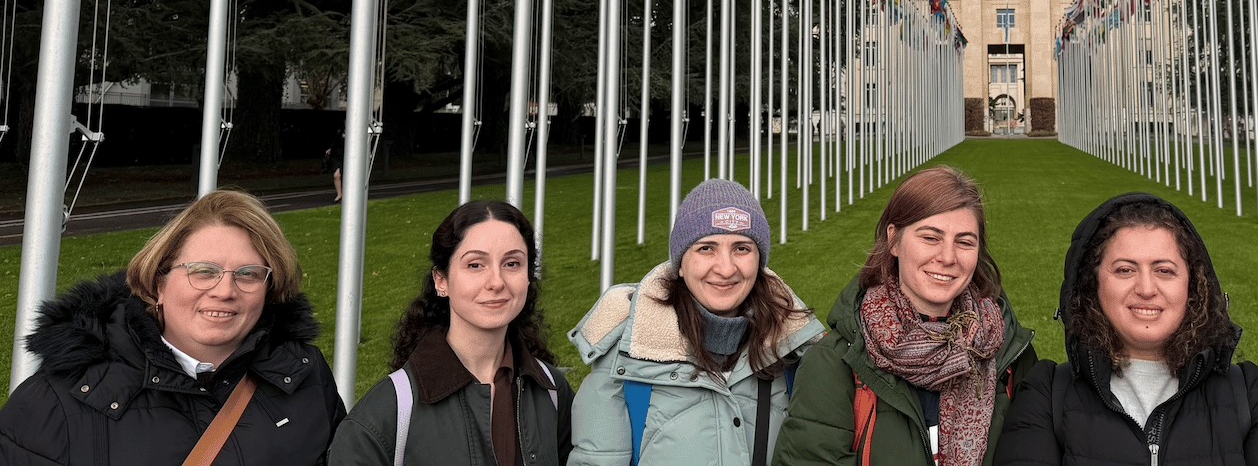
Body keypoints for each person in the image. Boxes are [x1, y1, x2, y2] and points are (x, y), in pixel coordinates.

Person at [0, 189, 345, 464]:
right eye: (203, 271)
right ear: (158, 284)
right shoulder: (56, 400)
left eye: (248, 274)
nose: (225, 291)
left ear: (269, 290)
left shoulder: (306, 375)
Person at [993, 193, 1258, 465]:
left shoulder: (1249, 394)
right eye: (1125, 270)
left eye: (1164, 270)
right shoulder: (1047, 393)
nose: (1146, 288)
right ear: (1092, 283)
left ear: (1193, 286)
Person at [774, 166, 1038, 466]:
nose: (948, 257)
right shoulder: (835, 363)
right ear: (894, 240)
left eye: (964, 242)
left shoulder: (1009, 350)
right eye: (930, 237)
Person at [567, 179, 826, 466]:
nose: (726, 268)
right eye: (706, 248)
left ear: (760, 261)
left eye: (742, 248)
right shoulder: (623, 360)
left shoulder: (797, 354)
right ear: (680, 263)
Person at [328, 200, 574, 465]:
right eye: (475, 265)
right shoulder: (384, 416)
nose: (496, 282)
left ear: (528, 276)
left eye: (512, 263)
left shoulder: (553, 392)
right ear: (441, 280)